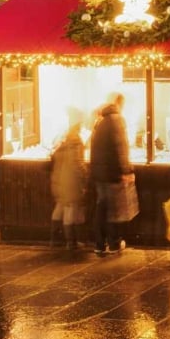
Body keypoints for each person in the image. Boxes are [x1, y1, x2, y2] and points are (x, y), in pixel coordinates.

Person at [89, 92, 131, 255]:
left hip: (99, 173)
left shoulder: (101, 121)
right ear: (120, 104)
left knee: (102, 207)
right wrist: (126, 170)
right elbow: (121, 148)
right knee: (114, 209)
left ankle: (99, 244)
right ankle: (114, 242)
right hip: (112, 172)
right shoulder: (117, 120)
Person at [50, 121, 87, 249]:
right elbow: (77, 163)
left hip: (58, 180)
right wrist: (85, 175)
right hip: (69, 181)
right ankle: (70, 242)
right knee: (69, 209)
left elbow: (53, 159)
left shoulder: (63, 143)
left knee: (60, 206)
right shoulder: (76, 143)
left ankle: (55, 240)